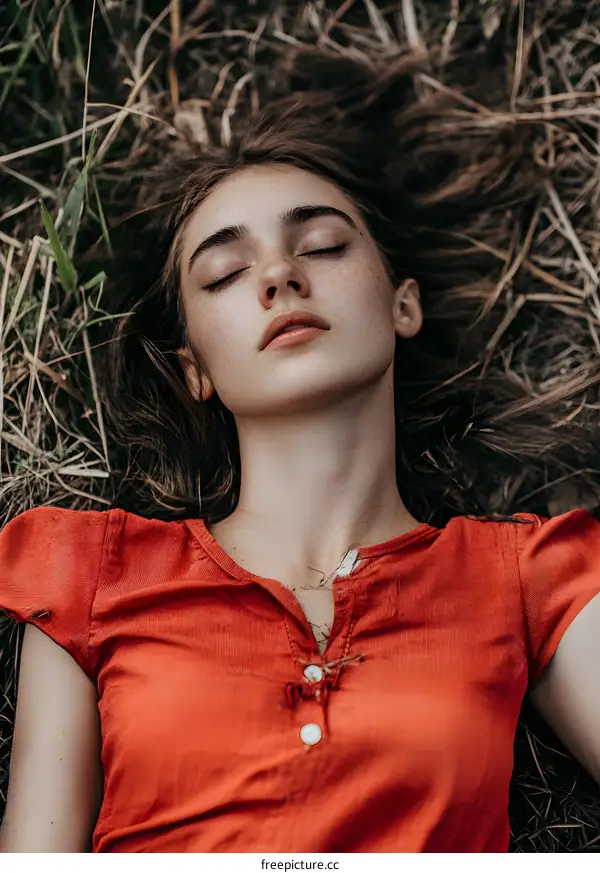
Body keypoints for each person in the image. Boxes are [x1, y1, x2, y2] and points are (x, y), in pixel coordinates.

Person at [1, 50, 600, 854]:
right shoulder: (90, 577)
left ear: (403, 303)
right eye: (224, 273)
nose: (279, 274)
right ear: (196, 369)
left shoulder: (528, 577)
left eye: (320, 245)